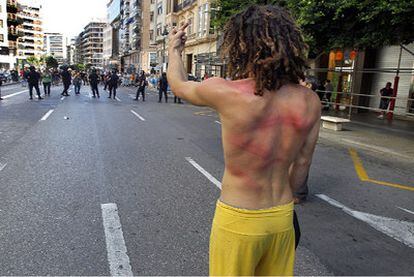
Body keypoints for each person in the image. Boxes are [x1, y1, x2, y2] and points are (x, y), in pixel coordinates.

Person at [167, 5, 320, 276]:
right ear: (290, 44)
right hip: (281, 217)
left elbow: (178, 85)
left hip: (240, 219)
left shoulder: (226, 92)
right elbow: (303, 163)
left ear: (242, 46)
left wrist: (174, 49)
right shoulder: (309, 100)